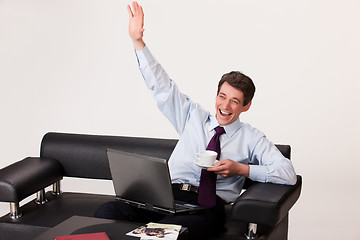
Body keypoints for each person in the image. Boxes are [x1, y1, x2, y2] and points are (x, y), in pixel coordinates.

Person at [94, 2, 297, 239]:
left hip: (207, 207)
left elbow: (287, 173)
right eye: (222, 96)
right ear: (216, 95)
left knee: (165, 233)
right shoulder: (193, 117)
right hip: (166, 198)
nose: (225, 106)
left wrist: (240, 169)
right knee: (106, 212)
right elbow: (162, 87)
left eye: (234, 101)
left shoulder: (252, 138)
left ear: (246, 106)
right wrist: (138, 42)